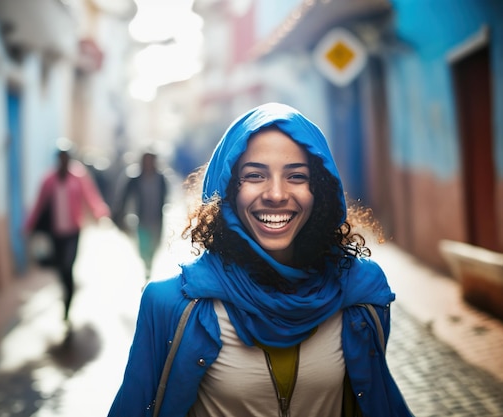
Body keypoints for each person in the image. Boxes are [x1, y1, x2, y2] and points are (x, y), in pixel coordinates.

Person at [108, 103, 413, 417]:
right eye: (255, 175)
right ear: (227, 190)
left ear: (320, 190)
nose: (277, 194)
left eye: (296, 176)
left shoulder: (362, 296)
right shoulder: (171, 305)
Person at [24, 139, 110, 323]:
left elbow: (90, 196)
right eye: (60, 157)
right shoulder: (49, 179)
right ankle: (66, 292)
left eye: (66, 157)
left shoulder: (78, 176)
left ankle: (67, 303)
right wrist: (29, 225)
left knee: (68, 265)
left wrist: (100, 213)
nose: (63, 160)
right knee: (60, 269)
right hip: (55, 232)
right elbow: (39, 204)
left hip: (73, 231)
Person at [113, 151, 168, 279]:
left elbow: (165, 196)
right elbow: (124, 197)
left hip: (157, 220)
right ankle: (146, 266)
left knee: (154, 245)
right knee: (143, 247)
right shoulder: (135, 178)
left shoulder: (160, 178)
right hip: (141, 220)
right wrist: (119, 214)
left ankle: (150, 264)